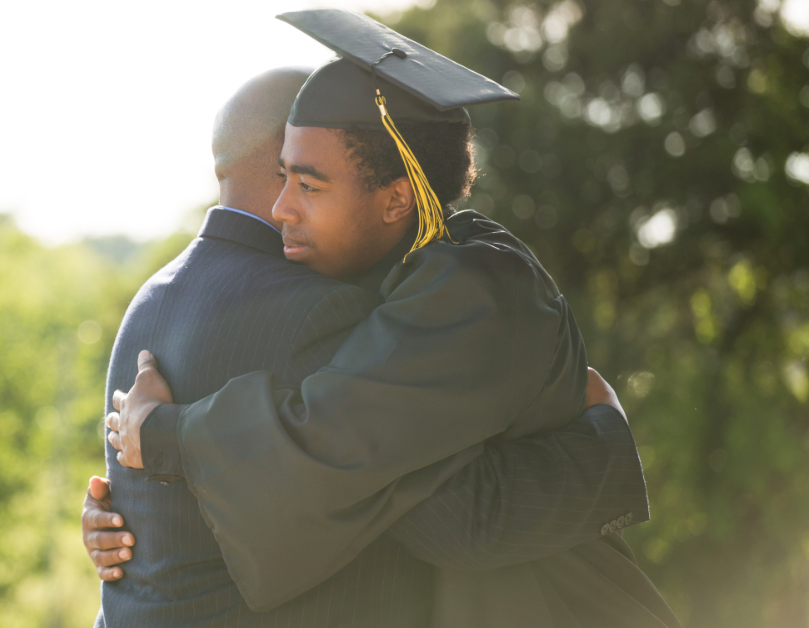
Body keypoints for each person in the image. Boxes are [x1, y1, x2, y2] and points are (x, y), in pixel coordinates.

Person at [103, 9, 679, 627]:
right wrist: (136, 520)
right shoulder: (387, 279)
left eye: (308, 185)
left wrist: (163, 435)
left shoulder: (476, 286)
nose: (281, 208)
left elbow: (395, 477)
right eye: (284, 177)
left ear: (397, 197)